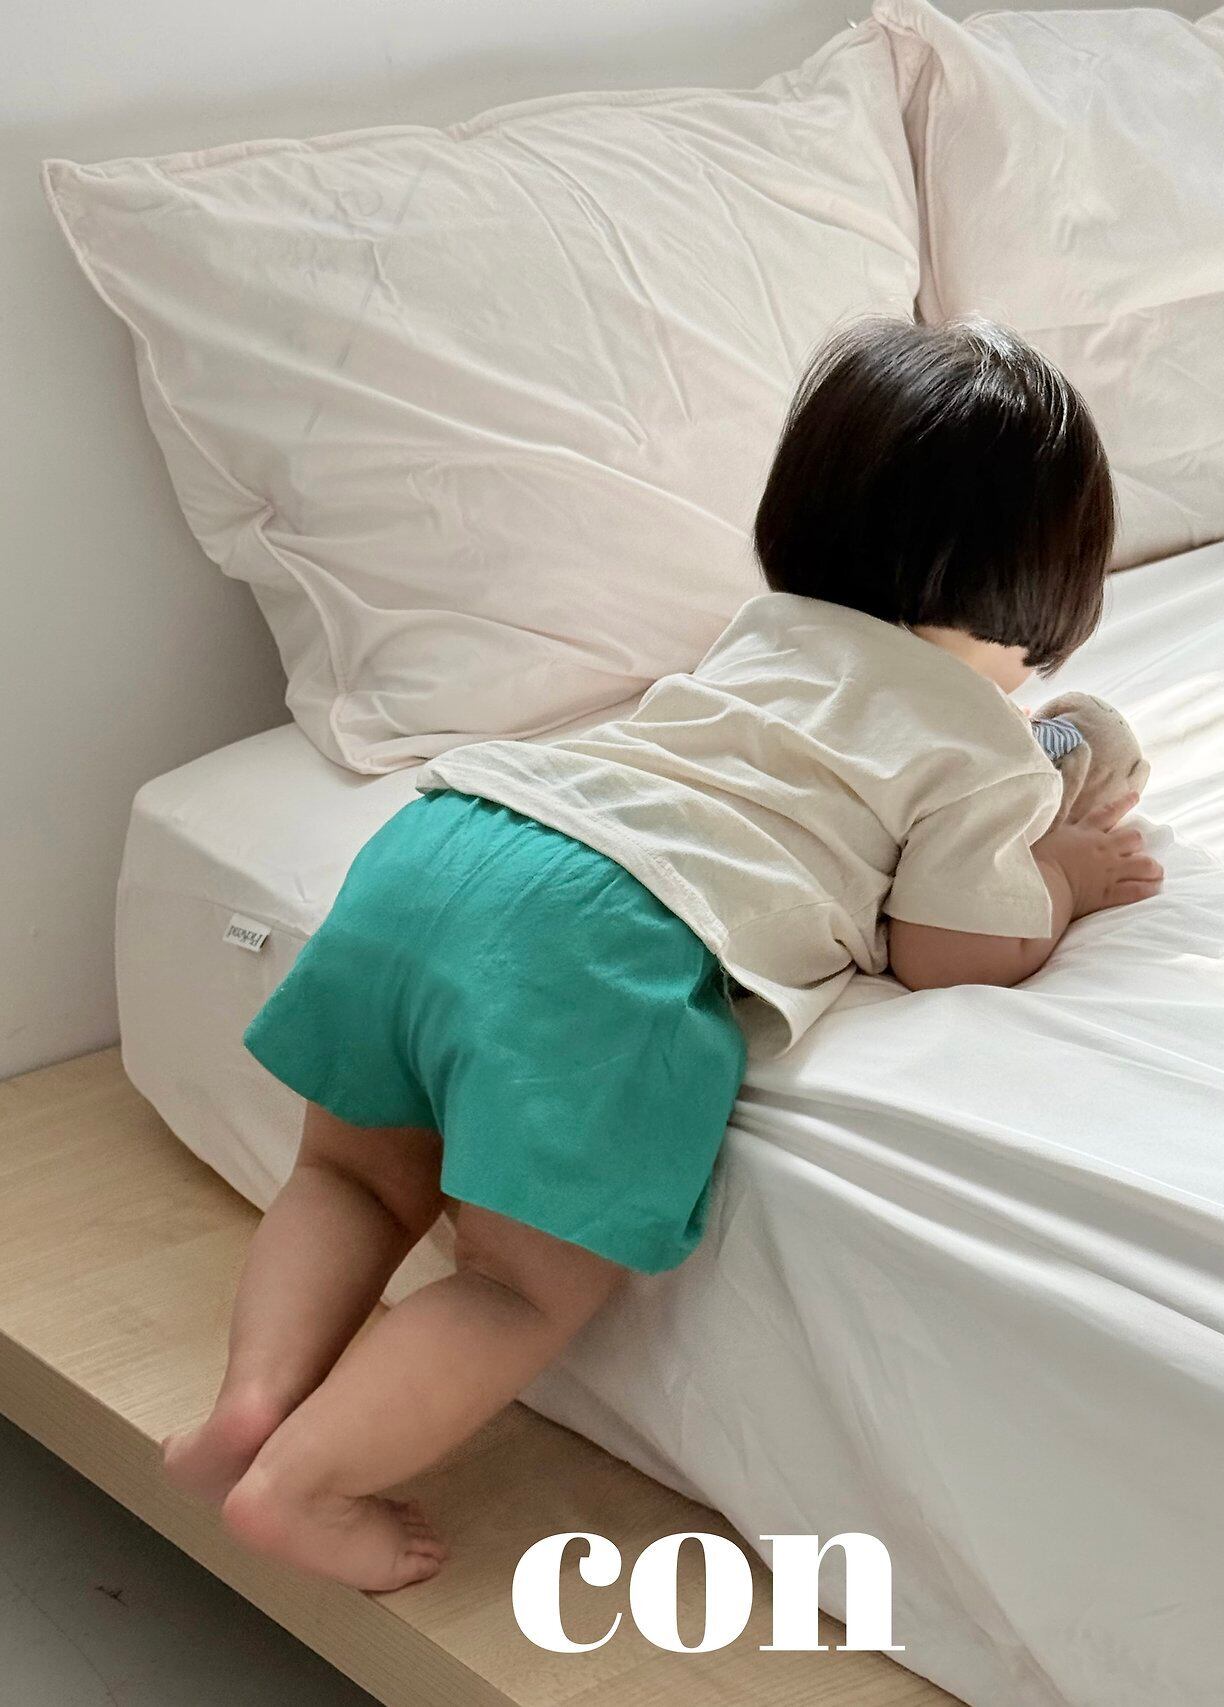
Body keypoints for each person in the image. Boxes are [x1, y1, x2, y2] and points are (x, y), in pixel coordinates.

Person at [162, 313, 1163, 1590]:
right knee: (519, 1284)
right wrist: (1064, 878)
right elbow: (948, 952)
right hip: (600, 933)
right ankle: (302, 1488)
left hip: (451, 842)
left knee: (352, 1178)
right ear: (1051, 579)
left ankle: (247, 1409)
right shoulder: (978, 745)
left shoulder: (760, 634)